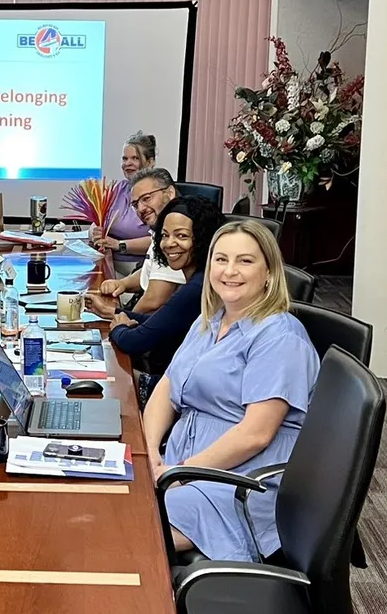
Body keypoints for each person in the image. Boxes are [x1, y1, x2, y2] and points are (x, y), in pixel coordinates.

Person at [142, 220, 320, 562]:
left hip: (238, 481)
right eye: (220, 260)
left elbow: (256, 434)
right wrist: (150, 451)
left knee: (132, 526)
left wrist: (180, 474)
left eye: (245, 261)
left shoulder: (280, 337)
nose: (230, 271)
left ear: (269, 272)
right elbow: (167, 385)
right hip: (183, 464)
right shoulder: (209, 319)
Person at [109, 196, 223, 390]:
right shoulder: (200, 278)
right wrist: (113, 313)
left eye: (181, 236)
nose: (169, 243)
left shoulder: (198, 288)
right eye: (164, 235)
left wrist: (118, 329)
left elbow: (135, 342)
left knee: (113, 380)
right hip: (174, 382)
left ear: (203, 238)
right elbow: (162, 323)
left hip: (173, 392)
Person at [87, 168, 184, 318]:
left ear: (170, 193)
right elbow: (152, 269)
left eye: (146, 199)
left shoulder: (177, 232)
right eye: (135, 204)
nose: (141, 209)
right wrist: (124, 284)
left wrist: (120, 317)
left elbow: (154, 299)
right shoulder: (160, 230)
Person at [91, 131, 160, 276]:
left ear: (150, 161)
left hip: (140, 270)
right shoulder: (117, 189)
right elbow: (97, 223)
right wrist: (94, 232)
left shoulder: (159, 195)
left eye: (135, 158)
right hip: (108, 263)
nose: (127, 163)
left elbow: (161, 239)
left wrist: (118, 245)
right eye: (124, 158)